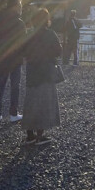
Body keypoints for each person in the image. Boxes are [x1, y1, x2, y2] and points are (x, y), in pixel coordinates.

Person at [22, 8, 62, 146]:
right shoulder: (50, 34)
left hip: (32, 72)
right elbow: (59, 51)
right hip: (46, 72)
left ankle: (29, 135)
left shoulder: (28, 34)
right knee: (44, 103)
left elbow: (23, 51)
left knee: (30, 102)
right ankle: (40, 136)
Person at [0, 0, 27, 122]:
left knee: (0, 85)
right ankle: (13, 114)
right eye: (20, 5)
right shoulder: (19, 23)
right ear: (16, 6)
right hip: (15, 59)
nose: (21, 7)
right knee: (15, 86)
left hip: (2, 58)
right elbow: (23, 42)